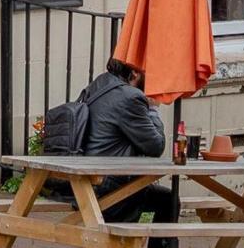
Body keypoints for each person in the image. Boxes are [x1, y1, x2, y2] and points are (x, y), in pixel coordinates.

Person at [75, 59, 177, 247]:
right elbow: (156, 146)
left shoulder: (101, 83)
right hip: (108, 191)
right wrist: (153, 108)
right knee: (168, 201)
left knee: (163, 199)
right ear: (136, 72)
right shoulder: (130, 97)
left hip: (83, 184)